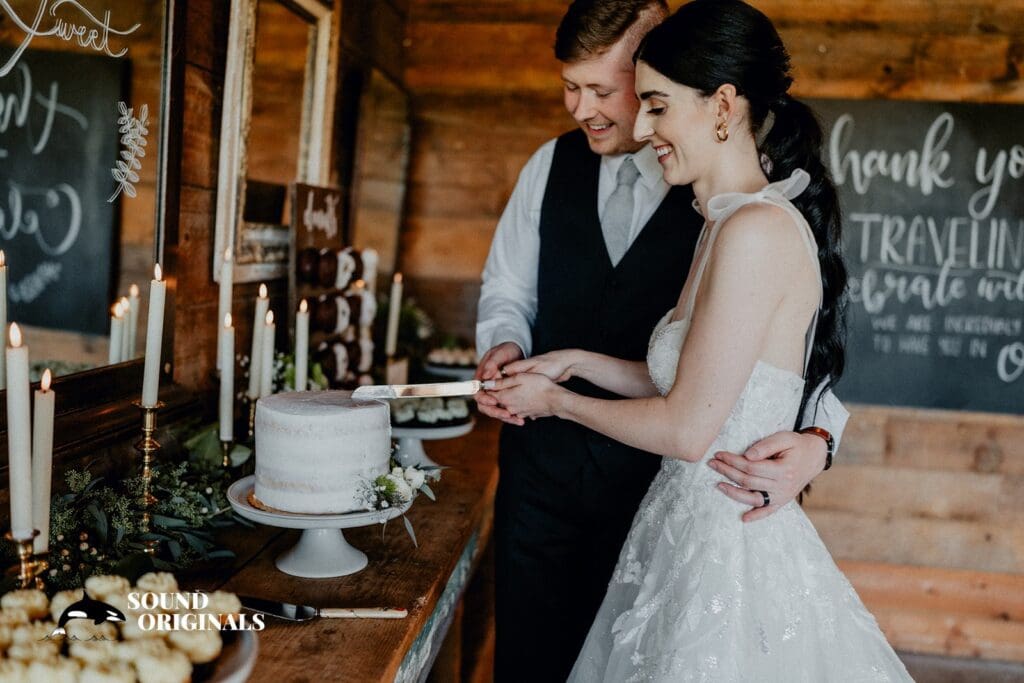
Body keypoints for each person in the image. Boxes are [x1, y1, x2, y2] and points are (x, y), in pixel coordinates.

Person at [486, 1, 911, 679]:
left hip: (690, 515)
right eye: (571, 86)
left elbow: (790, 369)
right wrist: (556, 359)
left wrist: (819, 442)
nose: (582, 108)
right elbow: (511, 294)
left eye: (613, 91)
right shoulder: (706, 211)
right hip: (561, 495)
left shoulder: (741, 210)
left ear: (715, 103)